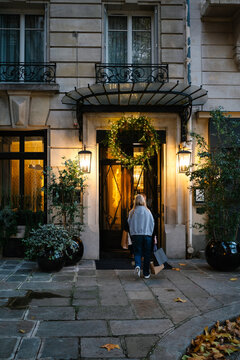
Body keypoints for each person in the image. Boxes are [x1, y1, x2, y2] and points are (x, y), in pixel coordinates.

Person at [128, 194, 155, 279]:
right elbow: (152, 223)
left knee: (137, 252)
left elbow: (129, 223)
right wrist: (150, 233)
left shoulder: (132, 212)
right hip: (147, 235)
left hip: (136, 235)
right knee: (147, 254)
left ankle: (138, 265)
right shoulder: (148, 211)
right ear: (143, 201)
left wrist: (132, 233)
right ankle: (146, 273)